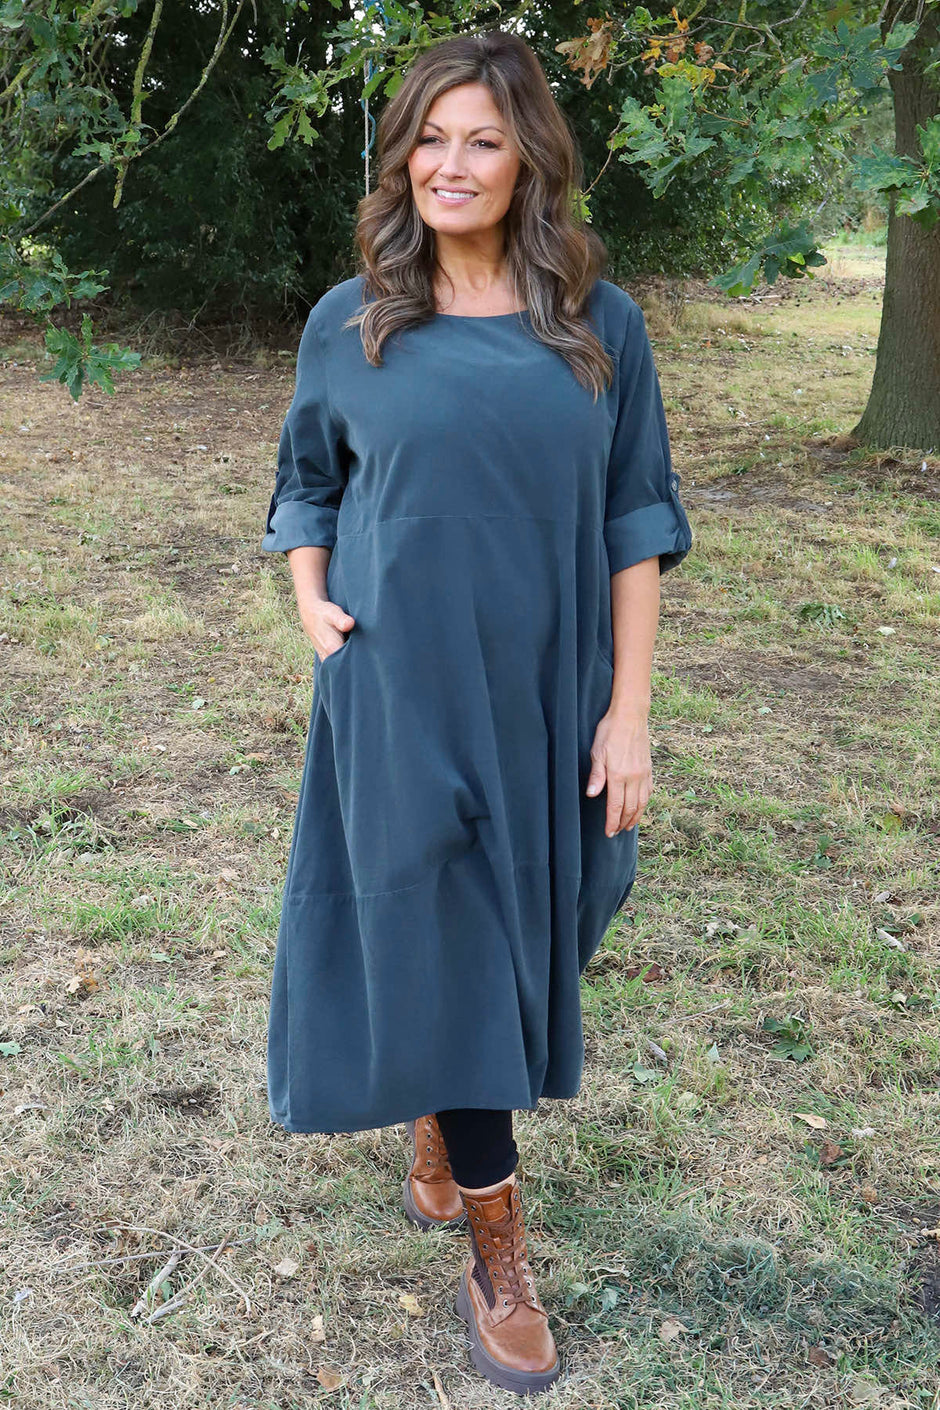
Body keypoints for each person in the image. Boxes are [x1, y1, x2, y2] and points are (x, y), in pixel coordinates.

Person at [260, 29, 692, 1397]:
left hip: (551, 692)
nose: (451, 165)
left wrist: (629, 711)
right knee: (452, 935)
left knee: (555, 914)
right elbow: (307, 484)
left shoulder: (600, 324)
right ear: (403, 158)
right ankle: (498, 1253)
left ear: (528, 162)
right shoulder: (352, 322)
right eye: (430, 139)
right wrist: (310, 601)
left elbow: (635, 520)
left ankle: (443, 1115)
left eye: (483, 141)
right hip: (399, 686)